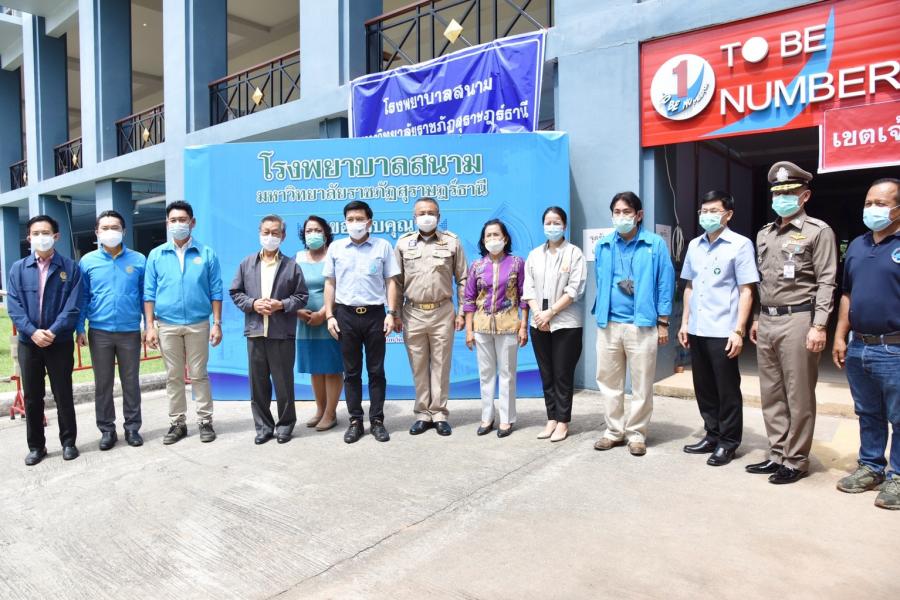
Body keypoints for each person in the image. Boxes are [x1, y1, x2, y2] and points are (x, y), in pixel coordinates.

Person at [748, 161, 837, 484]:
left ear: (805, 195)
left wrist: (820, 325)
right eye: (777, 193)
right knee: (771, 392)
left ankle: (796, 459)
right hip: (768, 318)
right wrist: (757, 316)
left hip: (799, 318)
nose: (781, 198)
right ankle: (777, 453)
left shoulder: (818, 231)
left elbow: (826, 281)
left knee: (798, 393)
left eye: (789, 192)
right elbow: (763, 280)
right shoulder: (765, 233)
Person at [832, 177, 900, 510]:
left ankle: (897, 476)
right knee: (868, 412)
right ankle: (871, 466)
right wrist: (840, 335)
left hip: (894, 347)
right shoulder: (857, 246)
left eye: (881, 204)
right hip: (859, 344)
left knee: (899, 416)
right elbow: (847, 294)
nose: (873, 209)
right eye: (869, 203)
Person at [678, 191, 758, 466]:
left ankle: (728, 442)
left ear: (728, 214)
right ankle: (712, 434)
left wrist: (739, 330)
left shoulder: (740, 245)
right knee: (703, 387)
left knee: (727, 389)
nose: (707, 215)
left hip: (723, 329)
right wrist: (685, 322)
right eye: (704, 211)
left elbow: (746, 290)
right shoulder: (694, 245)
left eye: (714, 210)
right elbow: (689, 286)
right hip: (697, 328)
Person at [592, 192, 675, 456]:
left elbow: (665, 283)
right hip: (608, 324)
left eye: (627, 212)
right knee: (608, 382)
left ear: (639, 215)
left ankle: (637, 433)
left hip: (642, 325)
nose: (621, 217)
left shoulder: (654, 244)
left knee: (641, 383)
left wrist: (663, 321)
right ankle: (614, 431)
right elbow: (600, 280)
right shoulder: (604, 245)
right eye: (617, 212)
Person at [144, 201, 224, 445]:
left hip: (198, 323)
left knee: (199, 374)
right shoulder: (157, 255)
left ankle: (205, 420)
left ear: (192, 222)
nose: (178, 224)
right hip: (167, 325)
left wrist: (217, 323)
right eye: (173, 220)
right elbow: (149, 293)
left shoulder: (206, 253)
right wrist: (150, 326)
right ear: (167, 223)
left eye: (182, 220)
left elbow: (216, 291)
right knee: (174, 376)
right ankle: (177, 423)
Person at [6, 215, 83, 465]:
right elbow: (14, 306)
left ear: (56, 236)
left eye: (46, 233)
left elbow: (73, 306)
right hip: (29, 344)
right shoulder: (18, 269)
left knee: (63, 393)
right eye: (36, 233)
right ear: (29, 238)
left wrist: (53, 331)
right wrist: (32, 332)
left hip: (59, 342)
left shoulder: (70, 268)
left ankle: (69, 442)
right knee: (32, 397)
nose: (41, 237)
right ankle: (36, 446)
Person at [324, 200, 400, 444]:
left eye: (359, 219)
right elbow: (330, 283)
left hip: (375, 314)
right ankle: (355, 421)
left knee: (376, 371)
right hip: (345, 315)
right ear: (345, 222)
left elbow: (391, 281)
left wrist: (391, 313)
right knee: (351, 372)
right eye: (350, 219)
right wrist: (329, 315)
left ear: (369, 222)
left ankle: (377, 420)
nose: (355, 223)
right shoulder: (336, 248)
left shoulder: (382, 246)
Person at [230, 215, 308, 444]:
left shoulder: (291, 266)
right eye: (266, 232)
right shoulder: (247, 264)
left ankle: (285, 426)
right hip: (255, 332)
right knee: (258, 385)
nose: (270, 237)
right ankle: (263, 427)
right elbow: (236, 292)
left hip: (281, 333)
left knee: (284, 384)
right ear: (259, 233)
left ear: (283, 236)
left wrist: (281, 305)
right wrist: (253, 304)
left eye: (275, 233)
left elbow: (301, 296)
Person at [393, 197, 467, 437]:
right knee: (418, 366)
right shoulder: (403, 243)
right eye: (422, 213)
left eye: (431, 212)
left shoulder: (452, 242)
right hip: (412, 312)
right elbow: (396, 282)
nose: (426, 216)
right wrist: (394, 313)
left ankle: (439, 414)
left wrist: (463, 311)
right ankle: (423, 414)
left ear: (438, 216)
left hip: (443, 311)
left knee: (441, 365)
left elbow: (462, 279)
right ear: (414, 217)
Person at [76, 210, 147, 450]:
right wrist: (80, 327)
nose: (110, 232)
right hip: (100, 331)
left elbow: (145, 296)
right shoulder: (87, 262)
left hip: (130, 331)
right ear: (97, 232)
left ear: (123, 231)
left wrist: (148, 325)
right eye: (105, 228)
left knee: (131, 382)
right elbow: (83, 297)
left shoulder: (138, 260)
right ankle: (107, 430)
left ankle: (132, 428)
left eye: (115, 227)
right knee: (103, 384)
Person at [523, 206, 587, 442]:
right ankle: (551, 418)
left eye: (556, 222)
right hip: (538, 322)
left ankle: (563, 421)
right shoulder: (534, 255)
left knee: (562, 374)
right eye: (548, 223)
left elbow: (574, 290)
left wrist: (550, 313)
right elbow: (528, 288)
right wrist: (539, 314)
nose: (552, 227)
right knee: (546, 373)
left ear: (564, 226)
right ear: (543, 226)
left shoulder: (574, 254)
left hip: (566, 323)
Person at [463, 219, 529, 438]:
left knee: (507, 374)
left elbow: (524, 297)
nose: (492, 239)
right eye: (488, 236)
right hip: (481, 327)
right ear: (483, 241)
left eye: (496, 235)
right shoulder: (477, 266)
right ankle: (487, 417)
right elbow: (469, 299)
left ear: (505, 238)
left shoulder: (517, 263)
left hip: (509, 326)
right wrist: (469, 330)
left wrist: (523, 326)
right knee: (486, 374)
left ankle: (507, 419)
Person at [295, 216, 344, 432]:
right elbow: (291, 288)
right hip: (305, 321)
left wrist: (324, 314)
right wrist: (298, 311)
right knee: (315, 368)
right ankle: (320, 410)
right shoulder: (298, 258)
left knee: (332, 367)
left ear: (326, 234)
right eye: (308, 231)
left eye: (317, 230)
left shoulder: (334, 255)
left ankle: (331, 413)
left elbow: (340, 287)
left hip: (330, 319)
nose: (312, 234)